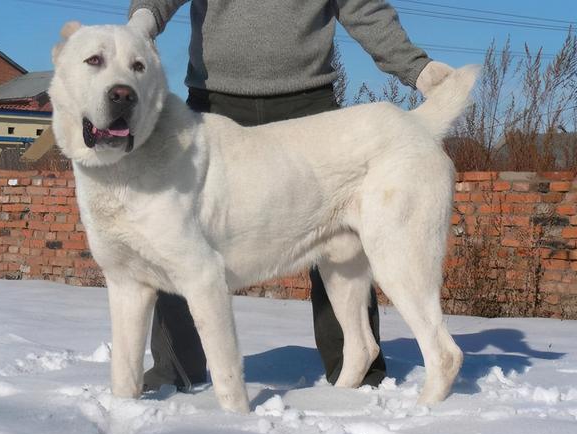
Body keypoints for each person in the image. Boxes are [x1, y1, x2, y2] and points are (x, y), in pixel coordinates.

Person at [127, 0, 453, 392]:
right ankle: (173, 369)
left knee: (342, 238)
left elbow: (363, 8)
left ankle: (359, 369)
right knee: (173, 232)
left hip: (308, 104)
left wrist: (417, 68)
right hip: (215, 102)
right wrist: (142, 22)